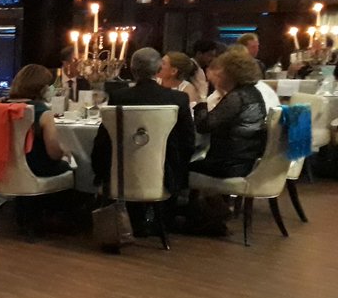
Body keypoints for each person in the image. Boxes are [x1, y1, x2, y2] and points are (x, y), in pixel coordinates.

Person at [91, 47, 195, 195]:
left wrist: (101, 172)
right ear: (158, 69)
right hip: (166, 176)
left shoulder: (119, 97)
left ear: (132, 69)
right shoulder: (178, 98)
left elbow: (104, 139)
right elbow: (188, 141)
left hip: (123, 173)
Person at [190, 50, 267, 178]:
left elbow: (203, 126)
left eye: (220, 72)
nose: (217, 76)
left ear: (229, 74)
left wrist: (202, 96)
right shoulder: (253, 93)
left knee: (178, 166)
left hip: (229, 165)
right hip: (246, 161)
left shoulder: (237, 96)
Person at [7, 64, 70, 177]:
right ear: (42, 89)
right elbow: (53, 153)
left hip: (4, 169)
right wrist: (64, 151)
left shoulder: (1, 106)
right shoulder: (42, 111)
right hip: (36, 170)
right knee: (70, 164)